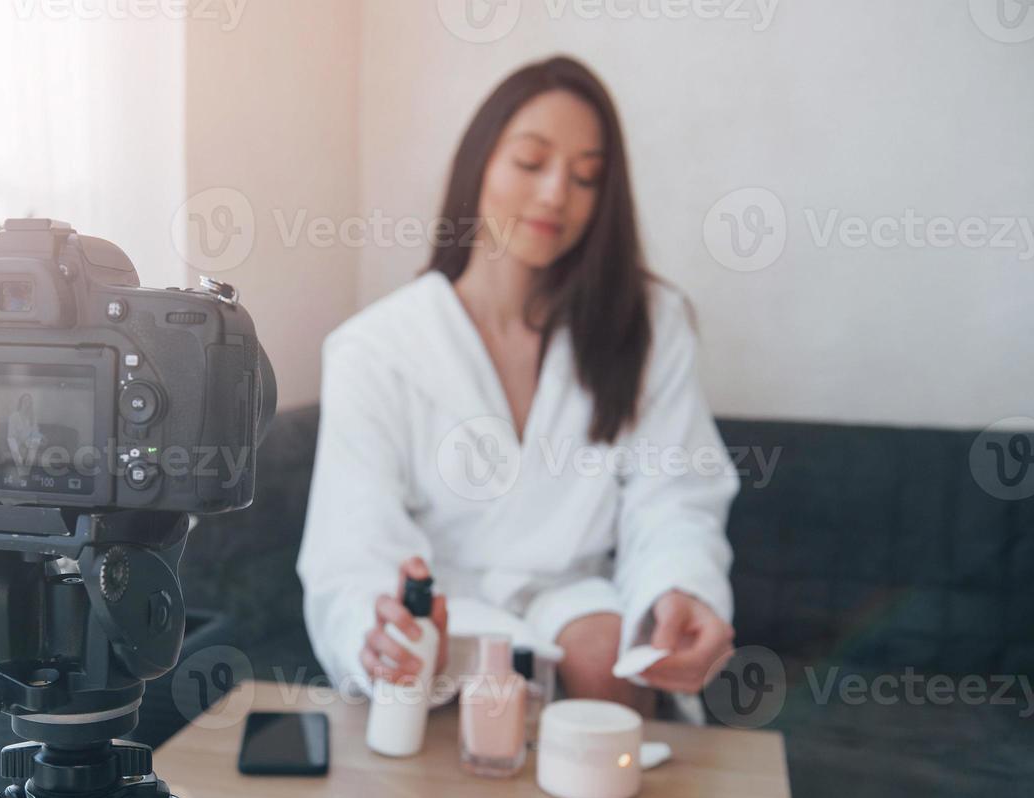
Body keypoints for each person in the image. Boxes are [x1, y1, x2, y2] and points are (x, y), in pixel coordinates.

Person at [296, 56, 738, 721]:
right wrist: (381, 629)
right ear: (479, 165)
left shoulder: (647, 325)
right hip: (450, 607)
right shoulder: (375, 349)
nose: (557, 194)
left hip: (578, 597)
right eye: (531, 163)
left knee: (604, 660)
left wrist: (680, 589)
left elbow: (673, 495)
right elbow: (351, 546)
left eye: (586, 176)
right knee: (465, 681)